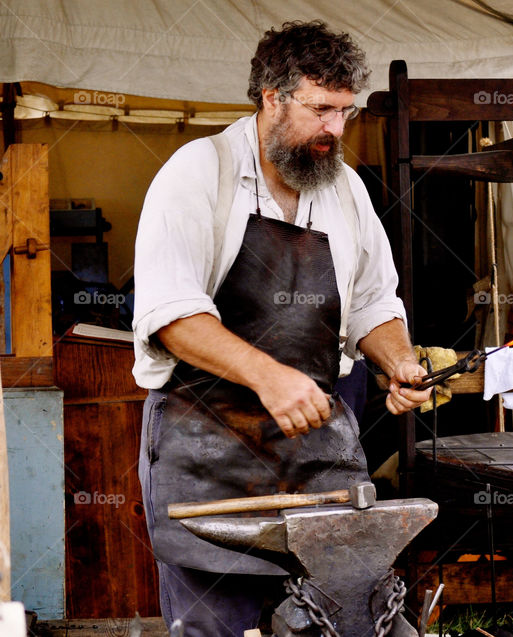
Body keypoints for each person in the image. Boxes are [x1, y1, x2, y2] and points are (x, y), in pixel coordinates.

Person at [132, 20, 431, 636]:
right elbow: (169, 314)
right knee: (216, 625)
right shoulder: (198, 174)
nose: (335, 129)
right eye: (320, 109)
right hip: (205, 446)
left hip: (317, 449)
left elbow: (375, 302)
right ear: (271, 97)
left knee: (352, 619)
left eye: (345, 112)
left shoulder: (345, 188)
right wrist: (269, 377)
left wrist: (398, 360)